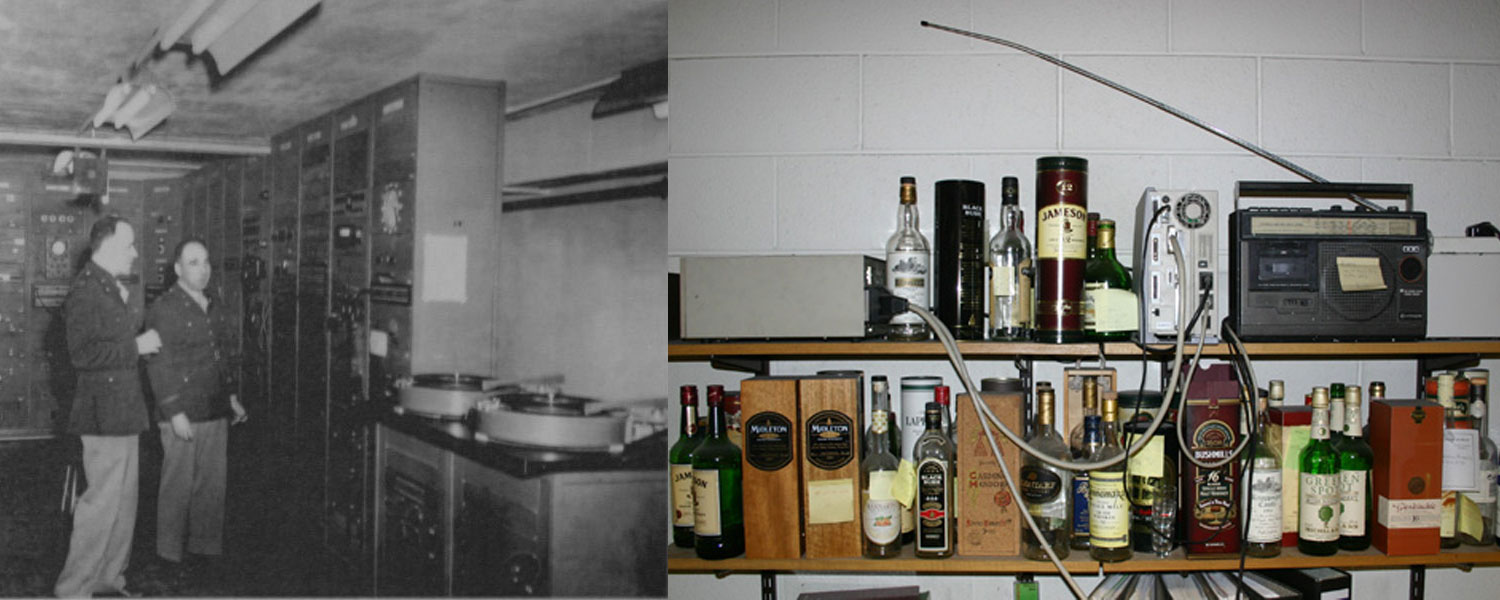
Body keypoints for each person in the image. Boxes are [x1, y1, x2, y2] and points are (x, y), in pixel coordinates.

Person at [55, 215, 161, 599]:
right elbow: (82, 355)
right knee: (100, 507)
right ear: (107, 245)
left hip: (123, 410)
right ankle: (73, 589)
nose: (135, 253)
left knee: (123, 506)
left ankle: (108, 581)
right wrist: (137, 346)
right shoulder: (86, 290)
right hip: (102, 415)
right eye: (129, 245)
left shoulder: (109, 286)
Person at [145, 238, 246, 572]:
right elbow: (159, 364)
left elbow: (221, 356)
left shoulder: (212, 304)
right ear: (177, 269)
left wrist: (231, 397)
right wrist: (174, 413)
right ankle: (169, 554)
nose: (202, 270)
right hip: (182, 413)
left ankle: (204, 550)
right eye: (193, 263)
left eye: (205, 262)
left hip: (213, 408)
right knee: (177, 485)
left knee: (211, 485)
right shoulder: (165, 307)